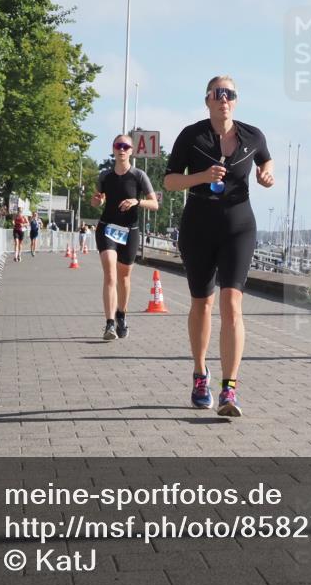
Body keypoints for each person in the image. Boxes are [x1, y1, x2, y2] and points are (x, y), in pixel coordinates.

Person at [164, 75, 273, 417]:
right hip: (198, 225)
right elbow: (169, 181)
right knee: (201, 304)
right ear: (207, 100)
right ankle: (200, 374)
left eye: (229, 94)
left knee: (232, 305)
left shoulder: (252, 135)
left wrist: (265, 174)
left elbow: (265, 159)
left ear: (236, 101)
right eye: (217, 93)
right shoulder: (191, 135)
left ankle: (229, 390)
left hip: (239, 226)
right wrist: (201, 177)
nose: (223, 98)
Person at [91, 134, 159, 340]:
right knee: (110, 274)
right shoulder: (105, 176)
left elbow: (154, 203)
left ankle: (121, 315)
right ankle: (109, 323)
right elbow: (97, 202)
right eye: (117, 145)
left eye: (125, 146)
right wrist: (96, 200)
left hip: (130, 231)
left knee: (124, 277)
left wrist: (136, 202)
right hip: (107, 228)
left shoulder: (139, 176)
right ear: (113, 149)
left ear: (131, 151)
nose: (121, 149)